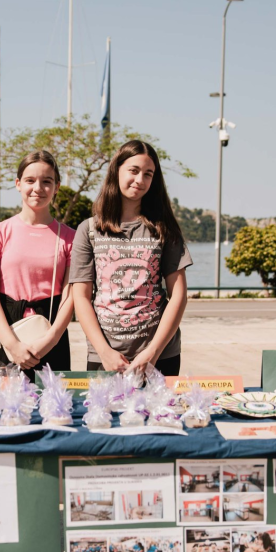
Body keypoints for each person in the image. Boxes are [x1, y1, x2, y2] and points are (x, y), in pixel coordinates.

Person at [70, 140, 192, 376]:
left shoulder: (164, 229)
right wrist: (104, 352)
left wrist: (153, 352)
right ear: (117, 170)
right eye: (134, 171)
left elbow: (179, 295)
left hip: (160, 356)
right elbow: (81, 297)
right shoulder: (88, 230)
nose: (140, 180)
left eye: (148, 174)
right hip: (105, 356)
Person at [0, 151, 76, 372]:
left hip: (52, 330)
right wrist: (12, 344)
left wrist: (49, 341)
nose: (38, 188)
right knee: (3, 403)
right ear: (18, 184)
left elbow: (70, 298)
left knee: (53, 404)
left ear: (57, 186)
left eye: (47, 181)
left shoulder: (71, 238)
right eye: (30, 180)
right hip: (6, 331)